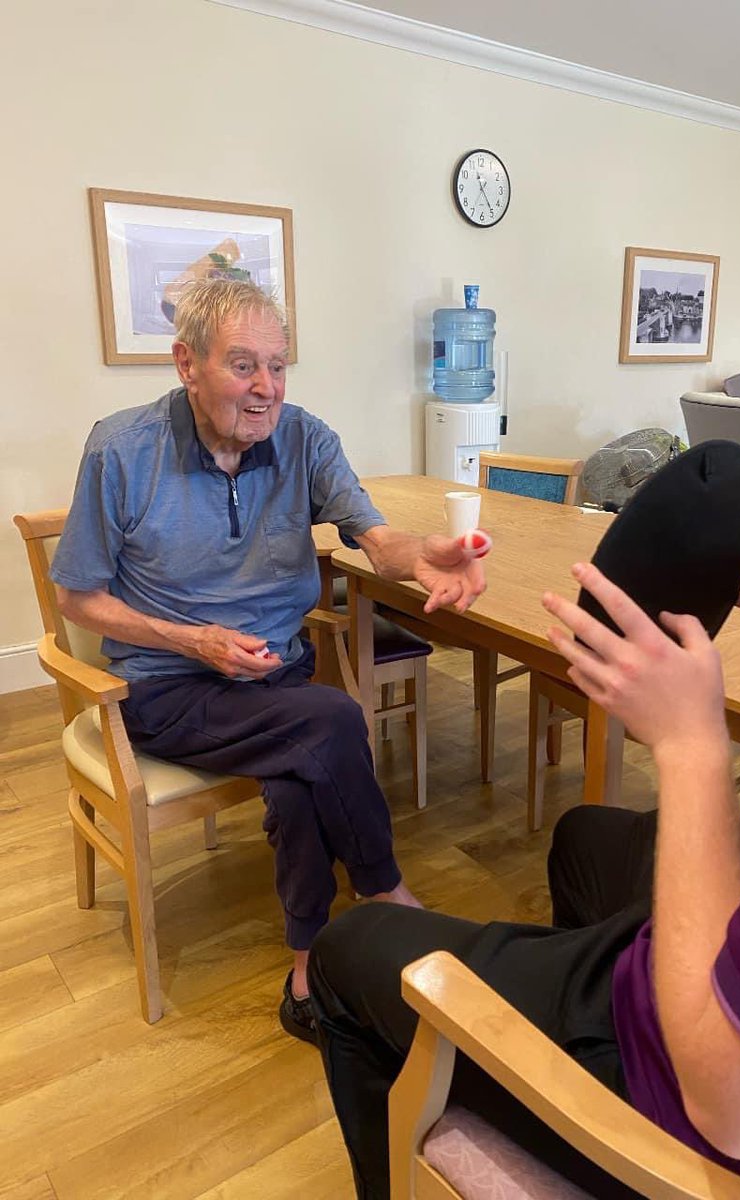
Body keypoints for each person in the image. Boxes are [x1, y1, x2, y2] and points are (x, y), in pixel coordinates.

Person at [309, 519, 740, 1199]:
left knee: (347, 948)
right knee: (585, 840)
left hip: (700, 1100)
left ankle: (567, 1066)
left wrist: (691, 745)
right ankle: (562, 1000)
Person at [50, 278, 487, 1043]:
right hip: (169, 688)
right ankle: (387, 897)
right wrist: (196, 640)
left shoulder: (306, 438)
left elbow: (373, 535)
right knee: (332, 720)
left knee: (298, 777)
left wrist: (423, 556)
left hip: (275, 680)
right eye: (243, 365)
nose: (266, 388)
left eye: (278, 366)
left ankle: (307, 966)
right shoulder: (121, 449)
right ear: (187, 364)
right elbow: (76, 600)